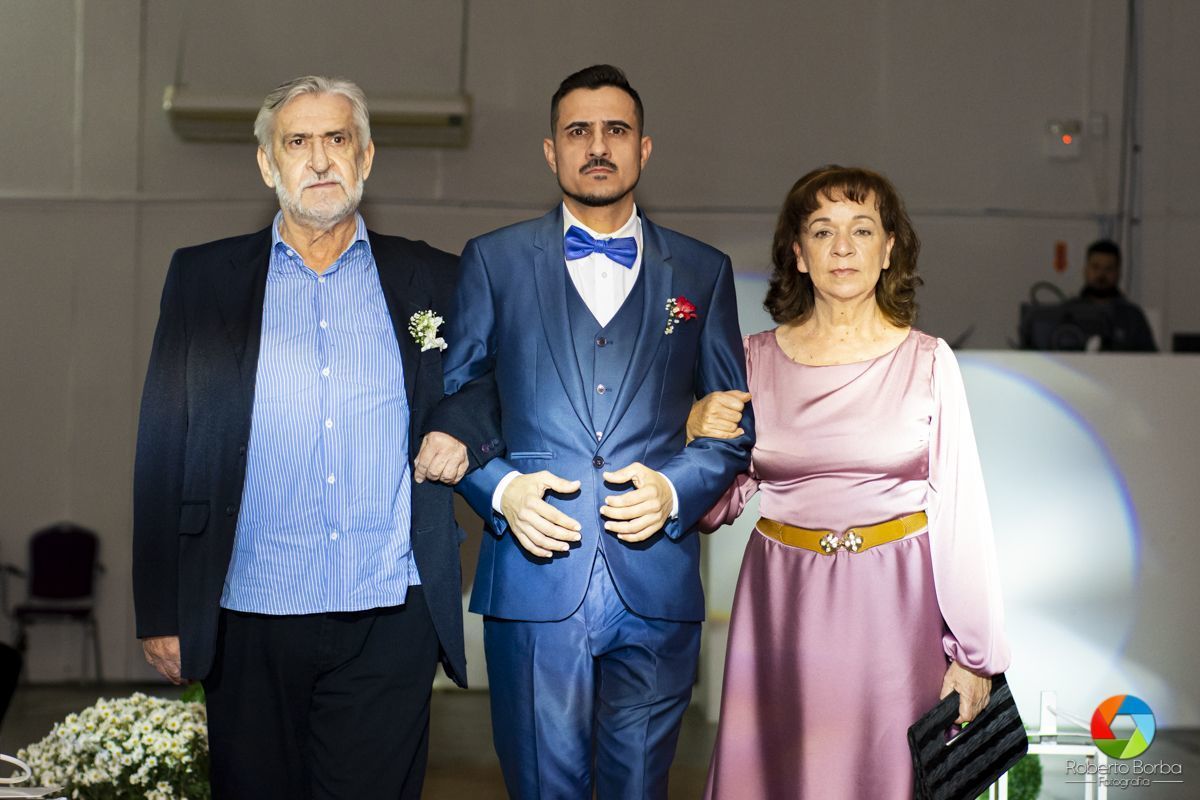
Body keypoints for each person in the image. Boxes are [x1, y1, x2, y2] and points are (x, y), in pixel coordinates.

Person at [132, 75, 502, 799]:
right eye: (297, 142)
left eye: (337, 138)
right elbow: (161, 442)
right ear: (267, 164)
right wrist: (161, 610)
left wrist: (460, 428)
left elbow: (498, 377)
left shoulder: (436, 276)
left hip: (389, 610)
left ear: (366, 157)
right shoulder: (203, 278)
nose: (320, 158)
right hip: (248, 608)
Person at [437, 64, 753, 799]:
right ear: (552, 151)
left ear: (645, 148)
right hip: (534, 572)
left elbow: (734, 421)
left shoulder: (702, 271)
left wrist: (675, 491)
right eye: (578, 131)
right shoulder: (494, 260)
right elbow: (458, 400)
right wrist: (501, 491)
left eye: (616, 130)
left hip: (657, 582)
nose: (598, 145)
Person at [689, 165, 1011, 799]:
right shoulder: (750, 360)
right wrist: (693, 429)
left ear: (888, 250)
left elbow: (961, 517)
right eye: (822, 230)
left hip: (895, 615)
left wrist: (975, 658)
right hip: (781, 612)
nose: (842, 247)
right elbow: (712, 507)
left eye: (861, 230)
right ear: (797, 253)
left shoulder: (929, 361)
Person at [1074, 238, 1157, 351]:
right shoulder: (1068, 312)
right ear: (1085, 270)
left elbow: (1150, 359)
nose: (1101, 275)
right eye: (1095, 267)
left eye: (1108, 269)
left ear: (1118, 273)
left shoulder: (1133, 317)